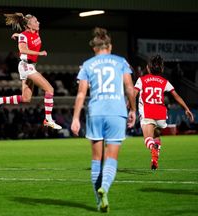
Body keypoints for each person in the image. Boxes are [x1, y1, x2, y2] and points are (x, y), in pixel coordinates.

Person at [71, 27, 136, 212]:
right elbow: (130, 88)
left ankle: (99, 202)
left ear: (94, 48)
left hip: (96, 111)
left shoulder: (87, 65)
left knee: (96, 159)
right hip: (116, 111)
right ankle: (104, 188)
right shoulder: (120, 61)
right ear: (110, 46)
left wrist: (76, 118)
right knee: (111, 156)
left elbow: (81, 93)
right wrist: (133, 109)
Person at [0, 13, 62, 130]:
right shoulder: (24, 35)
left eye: (37, 21)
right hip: (26, 66)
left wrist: (18, 35)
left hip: (30, 66)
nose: (38, 23)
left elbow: (27, 36)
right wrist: (39, 53)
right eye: (35, 22)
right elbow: (23, 49)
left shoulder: (34, 32)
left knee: (26, 98)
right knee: (50, 89)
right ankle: (48, 119)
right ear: (29, 25)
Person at [134, 54, 194, 170]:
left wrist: (130, 106)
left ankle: (153, 148)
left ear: (148, 67)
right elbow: (176, 96)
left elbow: (133, 93)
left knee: (147, 139)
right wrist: (186, 109)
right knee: (156, 134)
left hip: (148, 112)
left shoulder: (142, 80)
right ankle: (154, 159)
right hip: (161, 114)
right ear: (161, 69)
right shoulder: (164, 81)